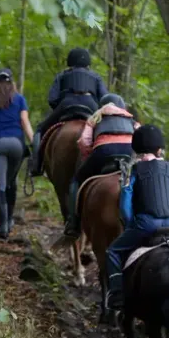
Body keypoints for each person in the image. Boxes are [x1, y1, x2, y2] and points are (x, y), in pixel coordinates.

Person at [104, 125, 169, 311]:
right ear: (160, 150)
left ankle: (117, 293)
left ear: (136, 151)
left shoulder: (135, 171)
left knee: (112, 251)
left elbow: (126, 202)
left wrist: (130, 225)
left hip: (146, 224)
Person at [60, 93, 139, 241]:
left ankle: (73, 224)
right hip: (128, 152)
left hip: (103, 151)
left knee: (76, 181)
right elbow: (140, 138)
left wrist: (89, 155)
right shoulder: (130, 119)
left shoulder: (95, 118)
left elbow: (84, 142)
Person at [28, 47, 108, 176]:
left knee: (39, 130)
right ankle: (108, 163)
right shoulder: (96, 77)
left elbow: (52, 99)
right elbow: (104, 98)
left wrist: (60, 108)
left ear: (70, 61)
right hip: (90, 105)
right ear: (88, 63)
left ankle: (36, 166)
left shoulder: (62, 75)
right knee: (105, 129)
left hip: (67, 104)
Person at [0, 68, 34, 240]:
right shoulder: (20, 99)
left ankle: (2, 227)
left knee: (0, 185)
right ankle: (10, 220)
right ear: (12, 82)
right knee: (11, 182)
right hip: (17, 145)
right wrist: (34, 144)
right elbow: (25, 122)